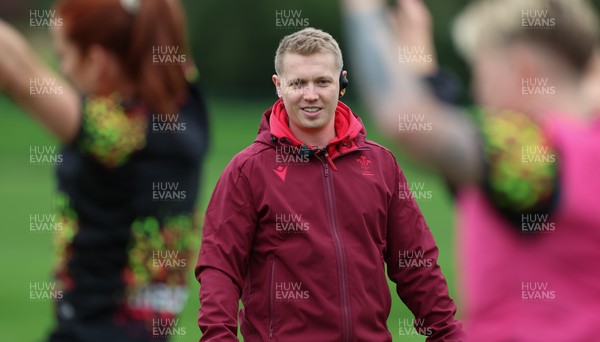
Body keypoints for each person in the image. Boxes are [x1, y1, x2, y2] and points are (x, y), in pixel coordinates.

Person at [341, 0, 600, 340]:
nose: (477, 91)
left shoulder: (532, 150)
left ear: (522, 70)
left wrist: (363, 11)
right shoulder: (566, 153)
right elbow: (479, 176)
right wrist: (422, 66)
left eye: (481, 72)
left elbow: (404, 118)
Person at [195, 27, 464, 341]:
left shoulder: (381, 165)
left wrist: (448, 334)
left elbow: (416, 265)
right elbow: (219, 269)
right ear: (278, 86)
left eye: (322, 81)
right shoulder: (247, 170)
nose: (311, 95)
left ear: (342, 82)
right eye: (298, 83)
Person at [0, 0, 208, 340]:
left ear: (97, 63)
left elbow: (16, 72)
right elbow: (158, 27)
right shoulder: (187, 106)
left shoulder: (114, 134)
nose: (62, 70)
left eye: (64, 55)